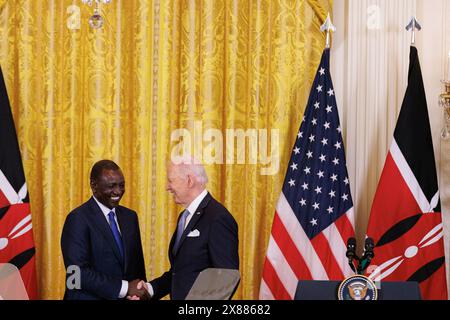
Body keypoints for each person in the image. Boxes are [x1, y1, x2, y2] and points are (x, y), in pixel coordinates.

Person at [136, 157, 239, 300]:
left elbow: (227, 277)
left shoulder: (217, 218)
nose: (167, 187)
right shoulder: (184, 217)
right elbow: (180, 271)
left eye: (171, 180)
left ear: (189, 180)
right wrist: (151, 289)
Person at [61, 160, 148, 300]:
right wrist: (125, 288)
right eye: (111, 186)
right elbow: (76, 274)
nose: (118, 191)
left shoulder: (130, 217)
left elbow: (137, 268)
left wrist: (139, 291)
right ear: (94, 186)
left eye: (122, 185)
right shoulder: (78, 219)